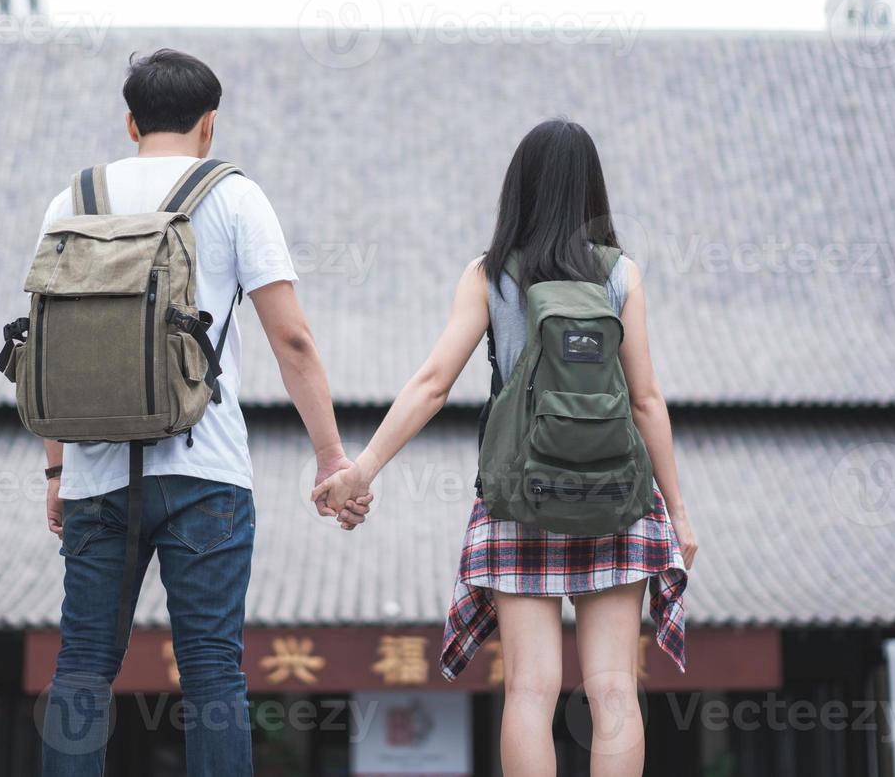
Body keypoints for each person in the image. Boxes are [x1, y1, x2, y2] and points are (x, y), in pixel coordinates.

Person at [314, 118, 697, 777]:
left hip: (521, 499)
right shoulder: (621, 274)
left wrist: (364, 467)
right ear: (592, 193)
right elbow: (645, 401)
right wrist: (680, 516)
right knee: (613, 692)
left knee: (529, 691)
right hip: (616, 495)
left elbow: (434, 383)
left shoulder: (490, 275)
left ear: (518, 189)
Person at [38, 48, 369, 776]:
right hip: (205, 474)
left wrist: (57, 471)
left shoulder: (72, 202)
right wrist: (331, 458)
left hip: (97, 478)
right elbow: (293, 339)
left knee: (84, 669)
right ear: (208, 127)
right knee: (212, 673)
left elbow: (48, 349)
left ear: (131, 122)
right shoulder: (234, 196)